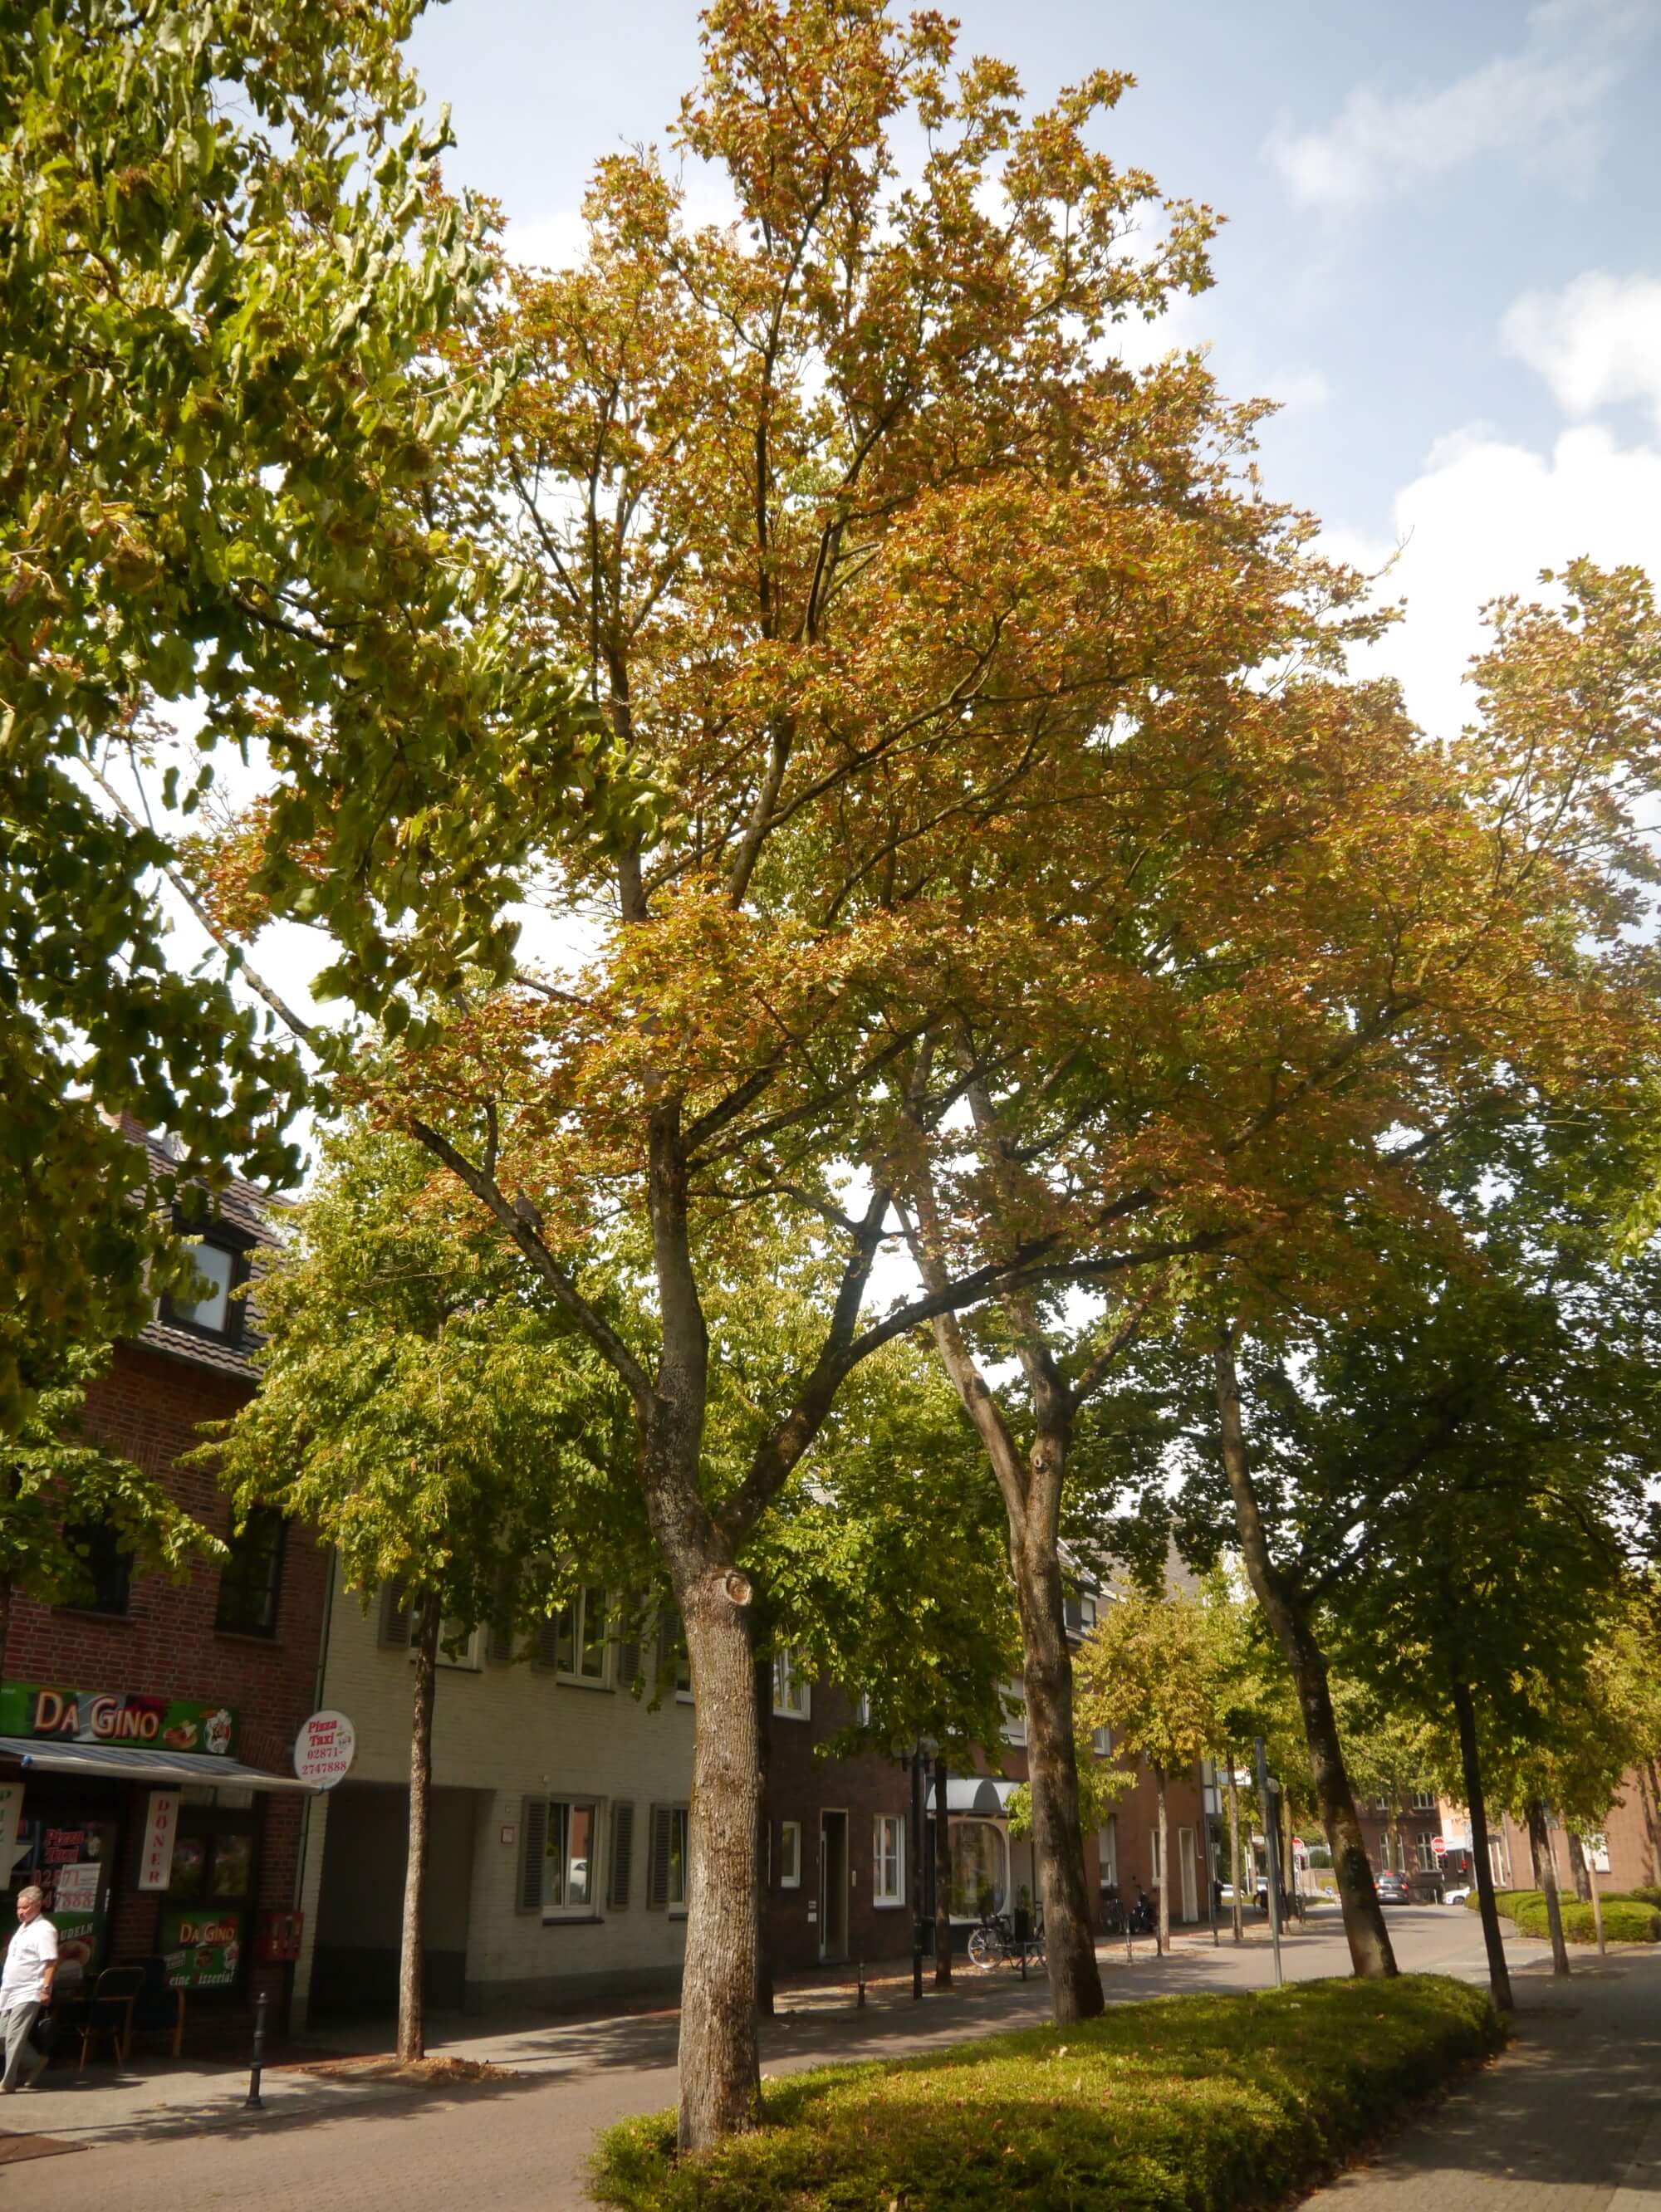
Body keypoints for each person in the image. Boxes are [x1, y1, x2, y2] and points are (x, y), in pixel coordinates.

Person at [1, 1886, 58, 2092]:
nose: (20, 1912)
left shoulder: (45, 1930)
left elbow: (51, 1961)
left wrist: (45, 1988)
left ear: (37, 1905)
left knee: (15, 2037)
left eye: (25, 1907)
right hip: (9, 1989)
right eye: (18, 1908)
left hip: (29, 1990)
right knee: (2, 2035)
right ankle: (35, 2062)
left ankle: (7, 2082)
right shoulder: (23, 1927)